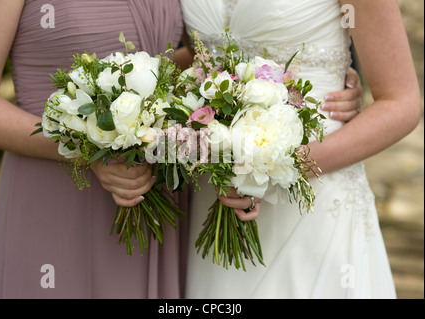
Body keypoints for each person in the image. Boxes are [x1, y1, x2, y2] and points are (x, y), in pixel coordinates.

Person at [0, 0, 363, 298]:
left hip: (158, 200)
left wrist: (294, 92)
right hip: (54, 193)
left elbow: (189, 59)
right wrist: (81, 148)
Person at [180, 0, 421, 299]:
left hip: (313, 194)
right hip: (214, 193)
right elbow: (197, 57)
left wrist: (273, 167)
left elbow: (401, 103)